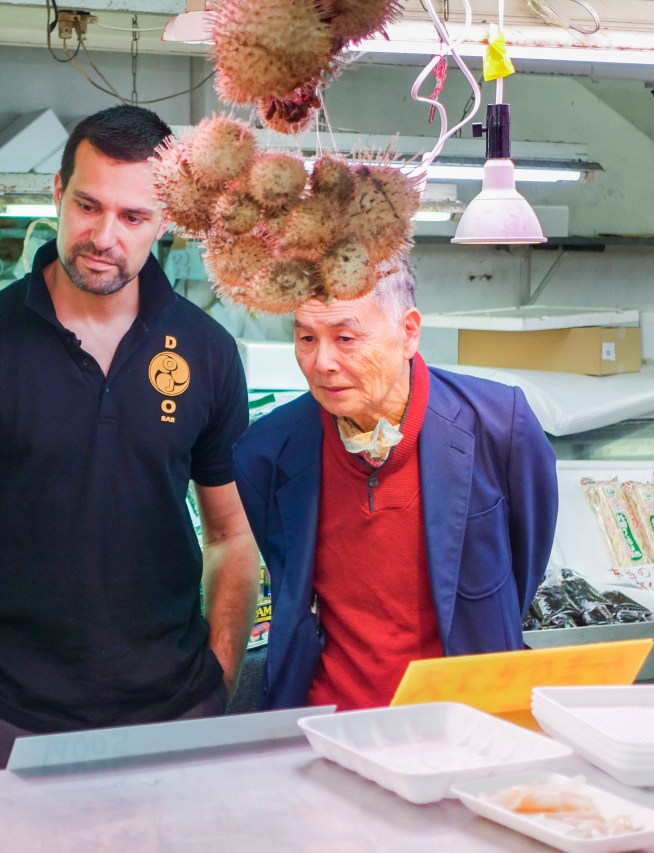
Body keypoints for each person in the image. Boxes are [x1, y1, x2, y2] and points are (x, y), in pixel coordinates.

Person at [0, 105, 261, 773]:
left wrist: (217, 680)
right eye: (88, 206)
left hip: (175, 718)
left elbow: (231, 534)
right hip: (9, 724)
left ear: (166, 222)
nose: (104, 236)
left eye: (133, 217)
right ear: (57, 194)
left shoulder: (208, 353)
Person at [232, 261, 557, 712]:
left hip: (468, 718)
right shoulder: (267, 451)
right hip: (329, 722)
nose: (322, 363)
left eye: (345, 338)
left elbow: (527, 561)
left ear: (408, 333)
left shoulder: (501, 425)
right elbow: (293, 589)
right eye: (306, 338)